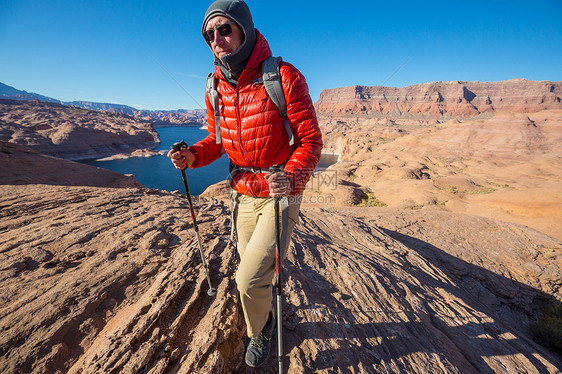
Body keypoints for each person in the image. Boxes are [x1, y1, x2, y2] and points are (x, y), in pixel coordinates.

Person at [168, 0, 322, 367]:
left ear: (245, 29)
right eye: (209, 34)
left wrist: (292, 176)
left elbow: (311, 142)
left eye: (224, 29)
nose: (216, 39)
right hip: (241, 193)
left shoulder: (283, 76)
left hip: (278, 191)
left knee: (249, 279)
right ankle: (264, 315)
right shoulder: (214, 87)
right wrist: (192, 156)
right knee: (251, 268)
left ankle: (261, 330)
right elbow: (217, 141)